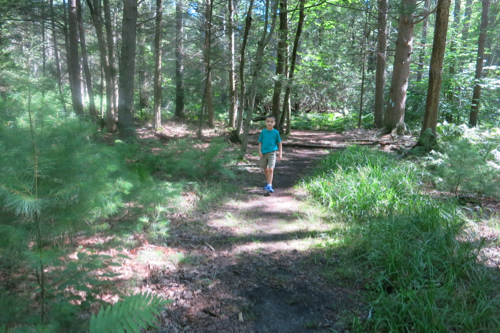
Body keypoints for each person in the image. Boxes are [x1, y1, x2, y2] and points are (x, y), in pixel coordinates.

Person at [258, 115, 282, 193]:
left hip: (272, 152)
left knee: (271, 169)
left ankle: (270, 185)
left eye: (271, 122)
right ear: (265, 122)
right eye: (268, 121)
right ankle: (268, 183)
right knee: (265, 169)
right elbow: (260, 142)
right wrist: (259, 151)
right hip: (263, 152)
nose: (269, 123)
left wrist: (280, 154)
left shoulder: (276, 132)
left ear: (274, 123)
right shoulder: (263, 132)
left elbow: (279, 143)